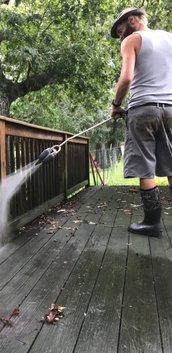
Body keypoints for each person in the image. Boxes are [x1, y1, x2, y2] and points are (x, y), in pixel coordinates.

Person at [110, 7, 172, 237]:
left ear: (133, 20)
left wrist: (116, 105)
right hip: (170, 109)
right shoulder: (169, 38)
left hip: (143, 110)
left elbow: (126, 77)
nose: (120, 36)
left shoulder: (133, 40)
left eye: (120, 30)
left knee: (145, 166)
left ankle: (152, 223)